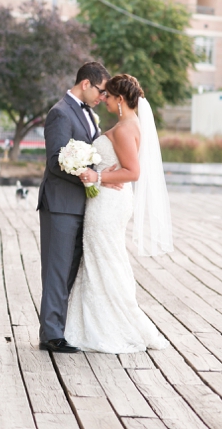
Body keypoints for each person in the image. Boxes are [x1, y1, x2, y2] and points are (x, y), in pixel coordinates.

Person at [65, 74, 172, 353]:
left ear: (120, 99)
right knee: (103, 259)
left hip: (109, 204)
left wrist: (95, 176)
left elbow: (133, 172)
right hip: (109, 200)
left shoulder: (125, 128)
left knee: (105, 259)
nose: (105, 100)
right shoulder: (129, 124)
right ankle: (97, 321)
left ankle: (114, 324)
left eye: (109, 97)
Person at [36, 62, 112, 353]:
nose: (102, 98)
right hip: (60, 205)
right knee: (56, 270)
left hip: (82, 205)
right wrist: (83, 173)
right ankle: (51, 335)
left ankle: (61, 328)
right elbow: (56, 160)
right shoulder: (60, 112)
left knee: (70, 271)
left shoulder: (89, 115)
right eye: (101, 91)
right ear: (86, 84)